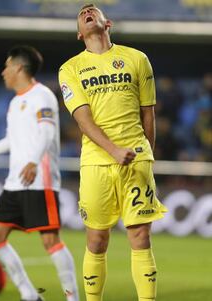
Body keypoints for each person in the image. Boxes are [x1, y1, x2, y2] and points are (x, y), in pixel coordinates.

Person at [58, 4, 168, 301]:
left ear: (108, 23)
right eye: (81, 13)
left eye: (94, 10)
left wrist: (146, 154)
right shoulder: (70, 69)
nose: (87, 11)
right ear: (79, 34)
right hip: (96, 163)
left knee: (141, 236)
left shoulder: (137, 59)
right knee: (96, 240)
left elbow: (149, 113)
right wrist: (113, 150)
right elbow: (83, 120)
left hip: (135, 159)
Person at [0, 45, 79, 301]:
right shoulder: (15, 102)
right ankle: (29, 294)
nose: (3, 72)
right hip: (15, 182)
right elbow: (11, 140)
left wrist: (33, 162)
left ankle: (72, 298)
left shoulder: (42, 95)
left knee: (50, 241)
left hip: (40, 180)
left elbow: (46, 132)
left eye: (7, 66)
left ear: (19, 68)